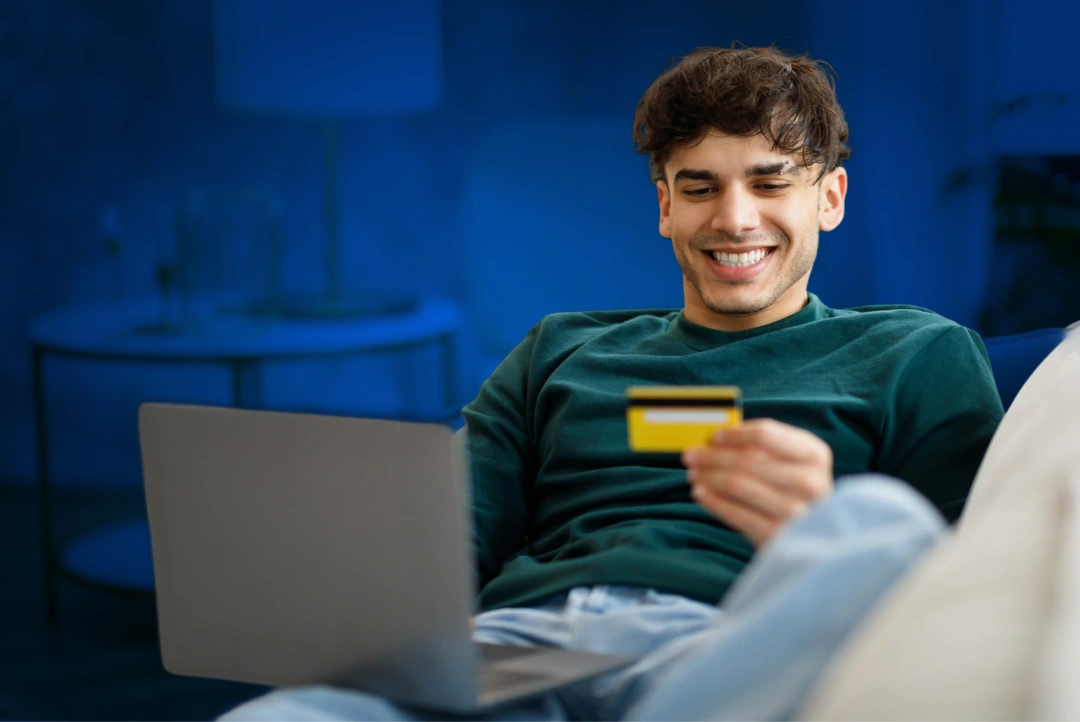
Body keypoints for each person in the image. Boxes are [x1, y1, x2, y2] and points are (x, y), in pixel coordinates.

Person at [222, 44, 1003, 721]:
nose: (734, 219)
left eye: (770, 184)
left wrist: (819, 524)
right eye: (699, 188)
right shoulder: (560, 349)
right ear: (665, 206)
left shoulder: (916, 351)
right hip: (521, 647)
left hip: (727, 645)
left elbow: (976, 596)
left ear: (829, 199)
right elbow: (446, 538)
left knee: (885, 526)